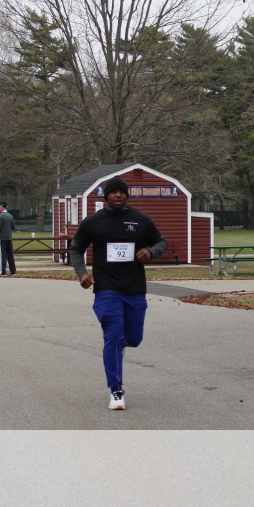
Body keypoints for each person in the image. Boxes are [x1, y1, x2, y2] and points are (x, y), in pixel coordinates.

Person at [69, 176, 167, 411]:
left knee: (133, 338)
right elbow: (76, 248)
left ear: (127, 195)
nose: (119, 195)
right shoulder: (93, 222)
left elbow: (161, 242)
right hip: (106, 289)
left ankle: (119, 346)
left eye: (122, 192)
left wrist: (151, 252)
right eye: (114, 192)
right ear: (106, 196)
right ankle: (116, 389)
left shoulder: (140, 219)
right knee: (112, 336)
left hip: (134, 289)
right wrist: (82, 273)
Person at [0, 201, 17, 276]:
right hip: (9, 237)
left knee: (2, 255)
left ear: (2, 207)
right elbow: (13, 227)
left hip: (2, 238)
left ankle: (2, 272)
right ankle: (13, 272)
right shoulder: (10, 216)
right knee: (10, 255)